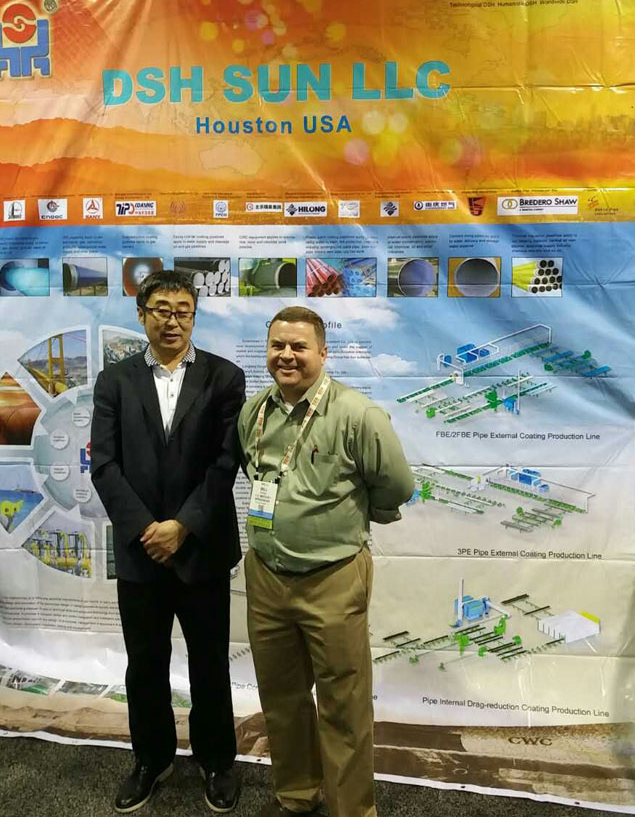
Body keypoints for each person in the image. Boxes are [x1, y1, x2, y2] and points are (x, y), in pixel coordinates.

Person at [238, 306, 414, 817]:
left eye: (299, 347)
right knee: (282, 697)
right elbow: (254, 472)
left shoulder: (358, 415)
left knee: (343, 704)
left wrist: (350, 517)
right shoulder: (255, 412)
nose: (286, 356)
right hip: (266, 576)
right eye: (277, 346)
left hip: (332, 579)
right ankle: (297, 794)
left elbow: (397, 486)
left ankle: (350, 810)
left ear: (322, 352)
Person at [91, 269, 245, 814]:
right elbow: (104, 464)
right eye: (161, 309)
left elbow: (226, 463)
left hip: (201, 548)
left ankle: (217, 760)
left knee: (210, 664)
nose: (172, 320)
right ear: (142, 315)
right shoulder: (114, 380)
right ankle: (150, 759)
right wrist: (146, 529)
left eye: (183, 310)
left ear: (194, 316)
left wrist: (182, 526)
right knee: (145, 665)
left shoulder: (225, 377)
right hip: (141, 553)